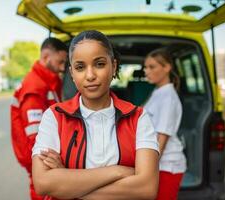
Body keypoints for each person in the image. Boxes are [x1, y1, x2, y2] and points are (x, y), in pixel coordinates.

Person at [31, 30, 160, 200]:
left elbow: (146, 188)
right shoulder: (54, 116)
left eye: (99, 64)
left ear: (113, 67)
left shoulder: (138, 118)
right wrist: (118, 171)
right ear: (72, 73)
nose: (90, 75)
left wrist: (66, 182)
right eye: (80, 67)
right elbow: (42, 183)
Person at [10, 37, 68, 200]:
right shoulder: (35, 88)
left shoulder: (47, 82)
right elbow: (35, 141)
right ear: (45, 57)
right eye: (60, 61)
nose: (63, 67)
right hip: (41, 163)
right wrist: (47, 167)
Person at [143, 48, 187, 200]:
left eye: (152, 67)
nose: (146, 71)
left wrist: (147, 169)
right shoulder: (158, 92)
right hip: (158, 163)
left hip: (167, 165)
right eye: (145, 67)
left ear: (167, 67)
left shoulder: (168, 98)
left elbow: (162, 138)